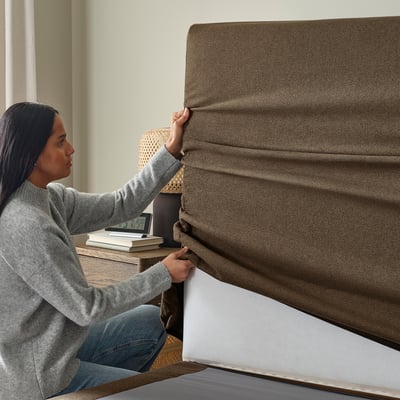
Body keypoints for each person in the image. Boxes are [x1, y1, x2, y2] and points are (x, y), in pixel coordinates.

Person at [0, 102, 194, 399]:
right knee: (156, 393)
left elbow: (121, 204)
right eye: (61, 142)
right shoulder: (26, 224)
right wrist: (162, 274)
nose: (72, 149)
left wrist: (171, 148)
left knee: (147, 319)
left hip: (59, 346)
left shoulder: (49, 199)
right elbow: (88, 308)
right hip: (39, 376)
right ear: (33, 154)